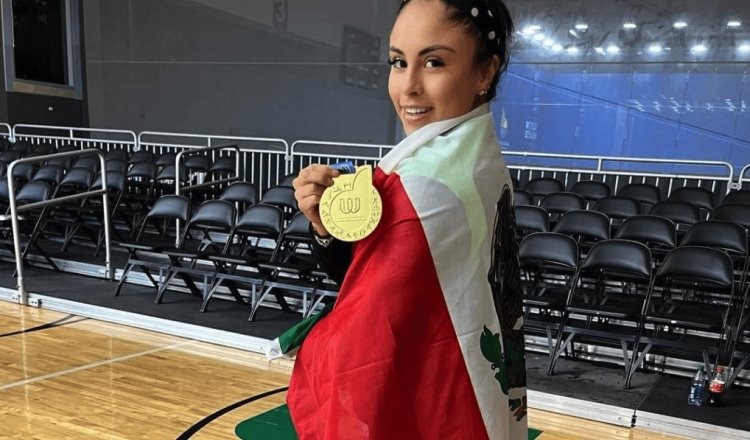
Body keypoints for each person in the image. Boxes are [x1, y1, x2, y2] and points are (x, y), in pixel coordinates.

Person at [288, 0, 526, 438]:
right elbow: (369, 274)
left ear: (484, 73)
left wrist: (310, 347)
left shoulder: (424, 187)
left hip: (433, 406)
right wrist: (326, 228)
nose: (408, 87)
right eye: (398, 62)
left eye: (433, 62)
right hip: (471, 396)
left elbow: (365, 343)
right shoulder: (479, 159)